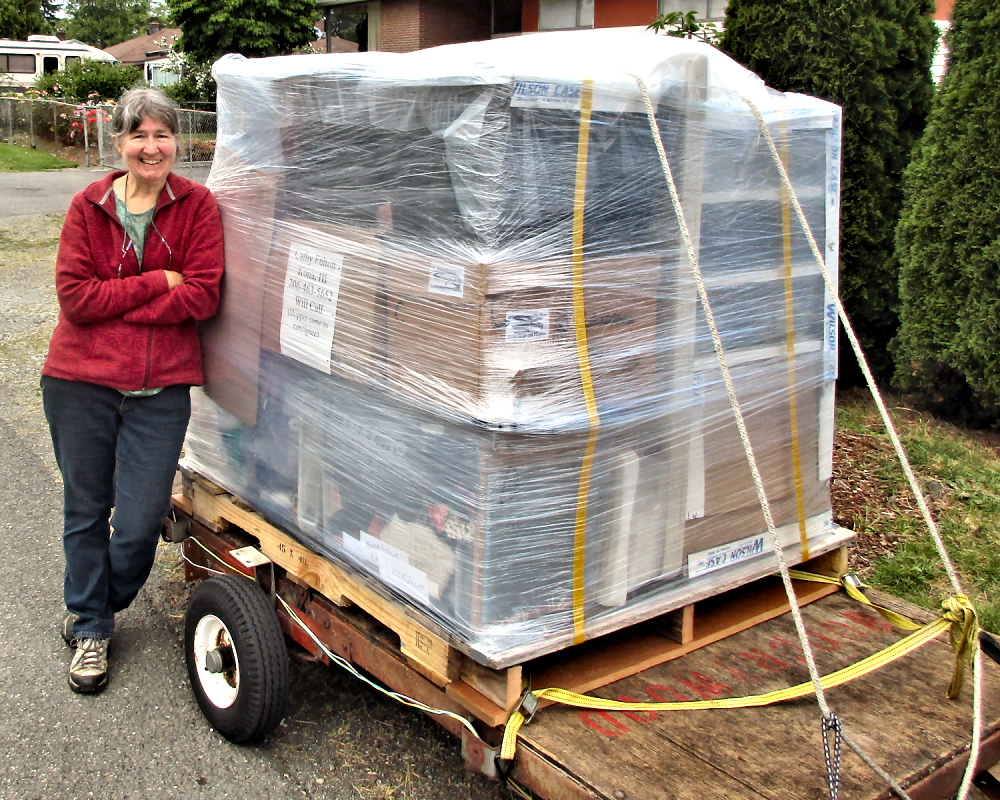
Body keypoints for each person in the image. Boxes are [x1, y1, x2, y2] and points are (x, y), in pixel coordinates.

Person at [41, 87, 224, 694]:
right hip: (79, 382)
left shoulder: (197, 206)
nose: (151, 147)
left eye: (162, 134)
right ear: (117, 143)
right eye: (138, 135)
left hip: (160, 387)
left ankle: (96, 600)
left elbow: (201, 294)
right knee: (87, 508)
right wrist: (153, 284)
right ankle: (92, 624)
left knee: (142, 522)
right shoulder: (86, 205)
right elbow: (75, 300)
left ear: (178, 141)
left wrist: (120, 307)